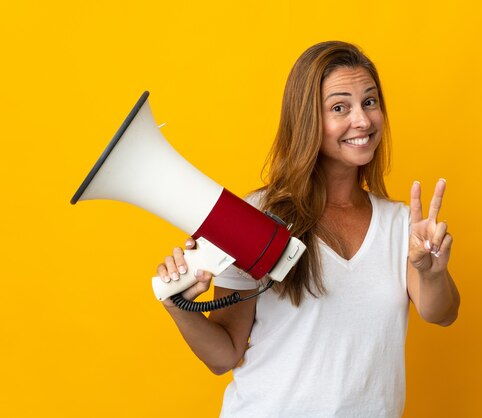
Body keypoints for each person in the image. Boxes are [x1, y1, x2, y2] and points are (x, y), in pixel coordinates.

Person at [156, 41, 460, 418]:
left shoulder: (401, 225)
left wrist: (432, 270)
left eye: (369, 101)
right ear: (306, 119)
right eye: (339, 107)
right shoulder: (257, 216)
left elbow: (442, 313)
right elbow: (224, 355)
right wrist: (178, 306)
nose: (362, 120)